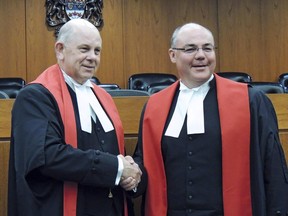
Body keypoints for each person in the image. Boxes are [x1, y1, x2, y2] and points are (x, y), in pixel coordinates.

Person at [133, 23, 288, 215]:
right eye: (190, 49)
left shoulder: (251, 101)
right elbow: (145, 159)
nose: (201, 55)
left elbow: (273, 168)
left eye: (207, 48)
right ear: (172, 55)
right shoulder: (154, 106)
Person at [8, 18, 144, 216]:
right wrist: (115, 168)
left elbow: (117, 153)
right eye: (84, 49)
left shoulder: (103, 98)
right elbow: (47, 156)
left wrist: (128, 174)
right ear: (60, 49)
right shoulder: (35, 97)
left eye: (97, 51)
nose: (92, 57)